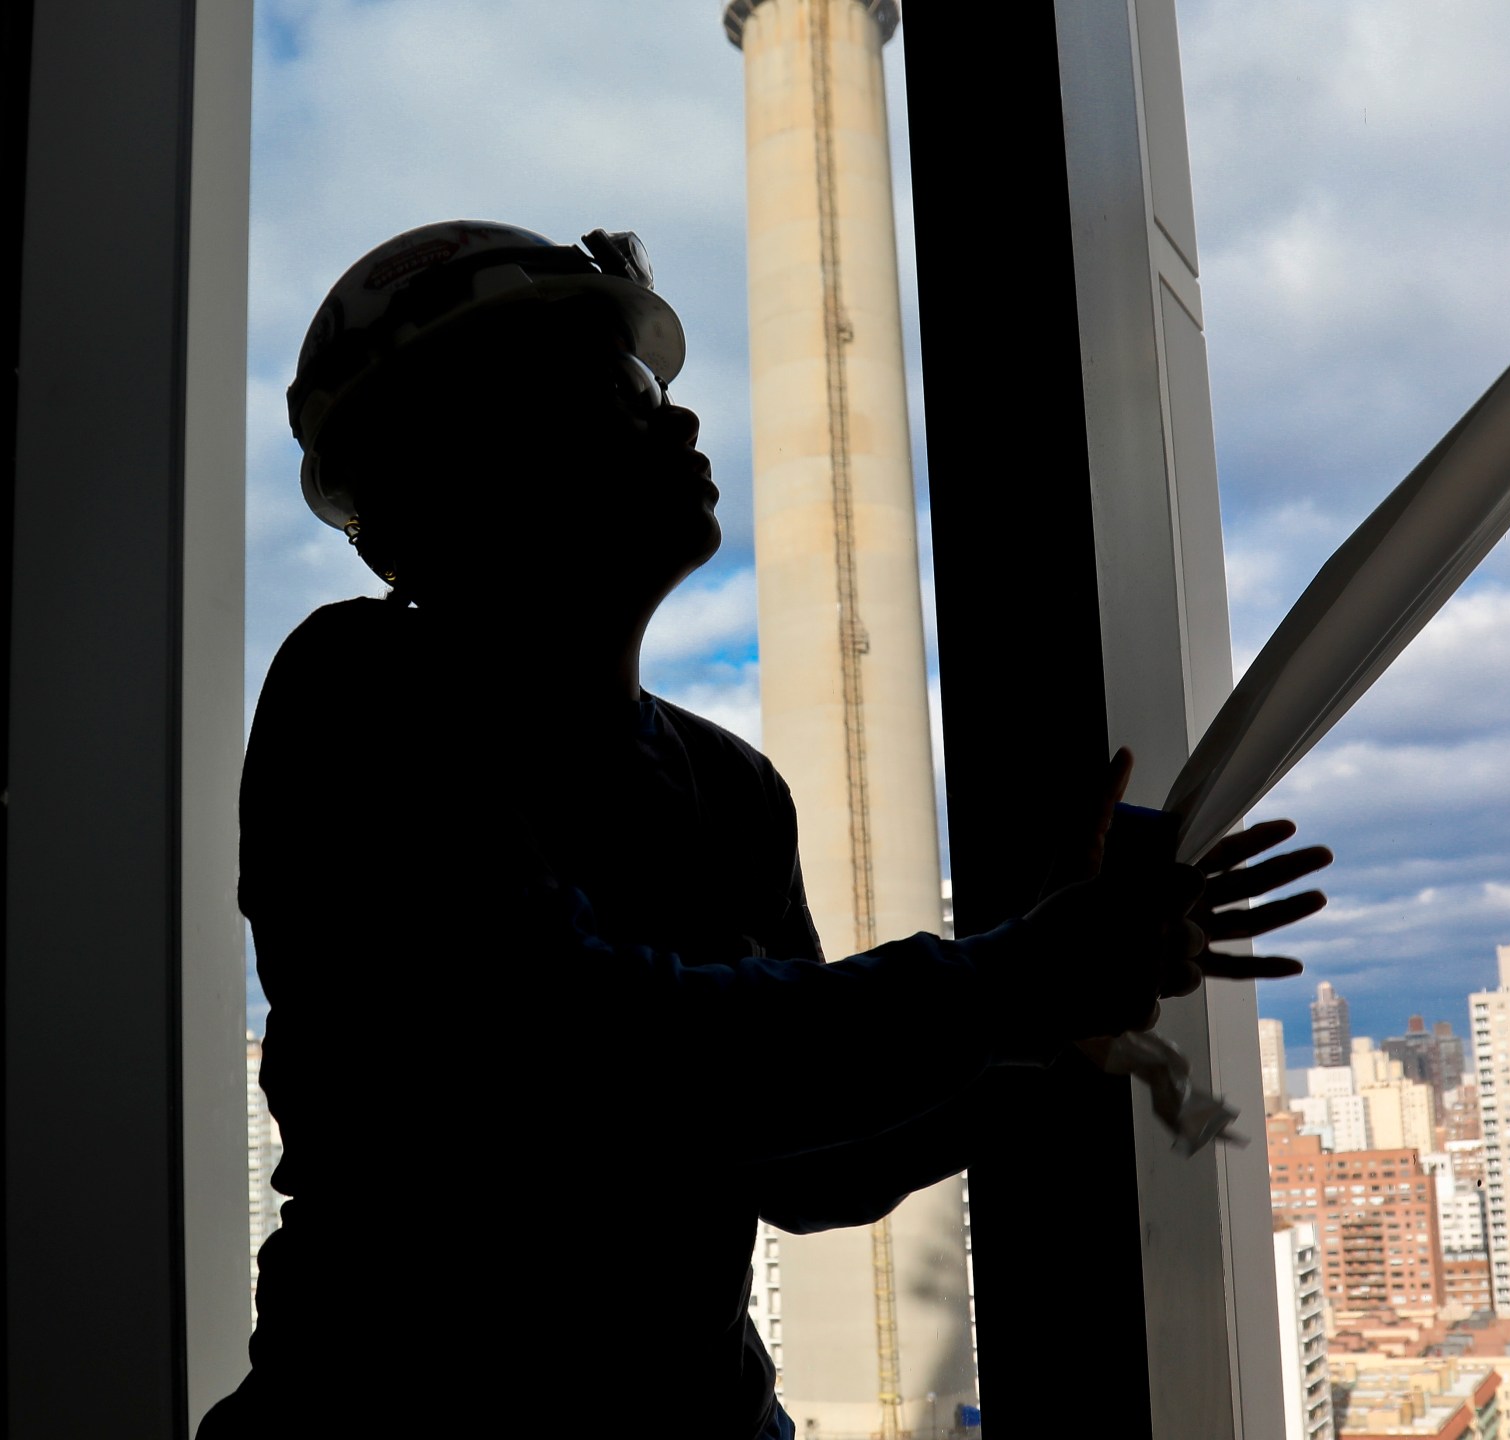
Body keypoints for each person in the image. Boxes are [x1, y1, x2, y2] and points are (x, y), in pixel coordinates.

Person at [196, 221, 1333, 1437]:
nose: (679, 420)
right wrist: (1017, 976)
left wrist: (1052, 1016)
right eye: (621, 391)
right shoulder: (360, 693)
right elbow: (572, 1048)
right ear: (465, 456)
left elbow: (806, 1164)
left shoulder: (726, 786)